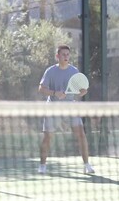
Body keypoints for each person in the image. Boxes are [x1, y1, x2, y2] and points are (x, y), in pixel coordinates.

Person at [38, 44, 95, 174]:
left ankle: (87, 165)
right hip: (53, 107)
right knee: (48, 136)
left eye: (68, 54)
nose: (66, 57)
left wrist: (83, 91)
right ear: (57, 56)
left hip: (70, 106)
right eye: (63, 54)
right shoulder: (50, 71)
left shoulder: (74, 71)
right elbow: (41, 88)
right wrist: (54, 93)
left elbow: (81, 89)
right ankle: (42, 166)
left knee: (81, 134)